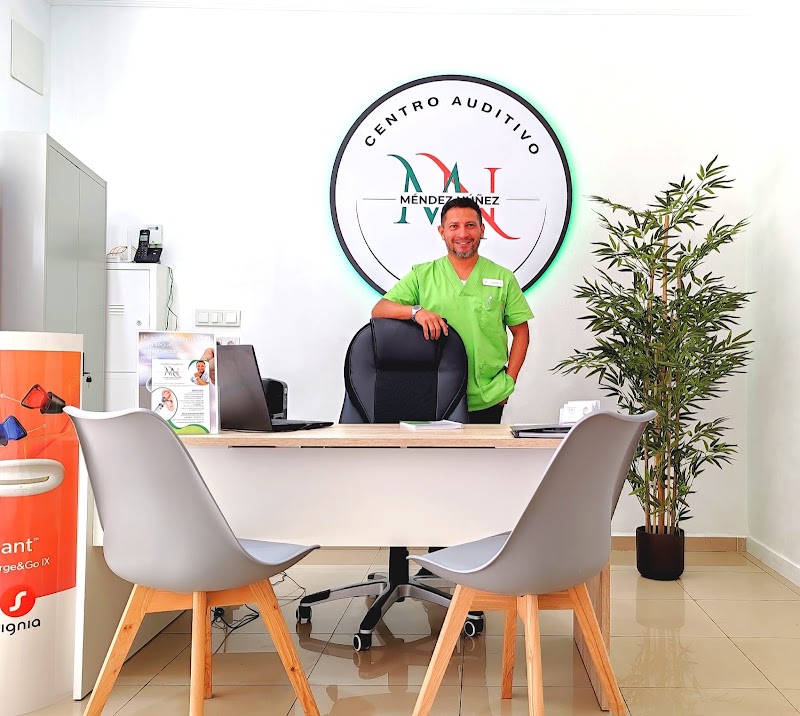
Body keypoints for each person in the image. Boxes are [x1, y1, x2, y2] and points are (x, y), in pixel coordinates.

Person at [372, 196, 533, 424]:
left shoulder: (503, 277)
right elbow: (380, 309)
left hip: (487, 396)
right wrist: (416, 312)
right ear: (442, 232)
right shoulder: (422, 276)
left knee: (483, 449)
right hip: (434, 393)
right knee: (436, 449)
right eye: (454, 226)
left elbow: (521, 332)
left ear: (482, 230)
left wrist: (509, 382)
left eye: (470, 225)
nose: (463, 234)